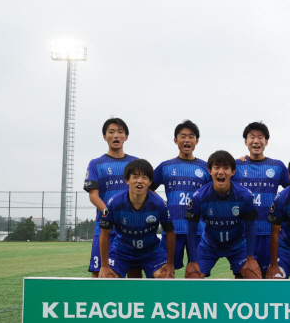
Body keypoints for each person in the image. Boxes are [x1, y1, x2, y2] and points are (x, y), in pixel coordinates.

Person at [185, 151, 261, 279]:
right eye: (216, 168)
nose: (221, 172)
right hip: (209, 245)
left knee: (253, 276)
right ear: (209, 171)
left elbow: (251, 228)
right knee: (192, 276)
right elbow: (191, 231)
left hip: (238, 245)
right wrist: (192, 262)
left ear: (233, 172)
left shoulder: (245, 195)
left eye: (226, 168)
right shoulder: (199, 197)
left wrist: (250, 258)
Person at [97, 159, 175, 279]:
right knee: (108, 279)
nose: (140, 181)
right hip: (122, 250)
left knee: (166, 277)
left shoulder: (159, 204)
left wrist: (169, 263)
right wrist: (104, 265)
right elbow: (104, 233)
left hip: (151, 251)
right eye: (135, 177)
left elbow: (170, 233)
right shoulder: (114, 203)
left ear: (149, 182)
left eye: (144, 177)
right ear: (127, 180)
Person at [83, 118, 141, 278]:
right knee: (99, 274)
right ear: (104, 136)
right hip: (104, 228)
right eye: (111, 132)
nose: (116, 135)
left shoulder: (135, 163)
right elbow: (93, 196)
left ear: (126, 137)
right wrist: (110, 214)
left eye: (120, 132)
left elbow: (145, 191)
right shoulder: (95, 164)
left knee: (134, 275)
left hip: (132, 228)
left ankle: (134, 304)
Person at [151, 120, 210, 274]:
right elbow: (148, 187)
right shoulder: (166, 166)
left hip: (198, 229)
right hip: (172, 229)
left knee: (196, 273)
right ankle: (168, 299)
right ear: (176, 140)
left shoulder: (205, 167)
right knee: (166, 272)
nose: (187, 140)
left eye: (191, 136)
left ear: (196, 141)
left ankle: (194, 299)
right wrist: (162, 203)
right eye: (183, 136)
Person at [232, 122, 290, 275]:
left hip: (269, 233)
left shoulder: (277, 166)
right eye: (252, 137)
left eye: (260, 137)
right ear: (246, 141)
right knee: (245, 278)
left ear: (266, 142)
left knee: (270, 278)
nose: (256, 141)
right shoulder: (236, 166)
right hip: (243, 235)